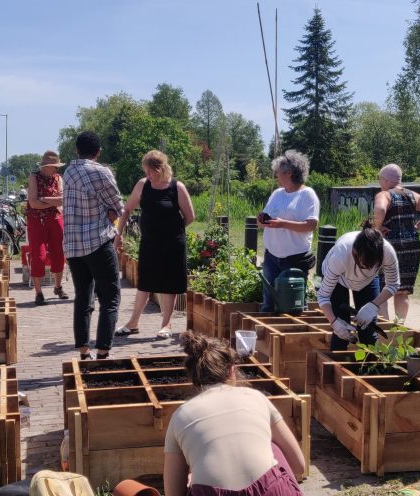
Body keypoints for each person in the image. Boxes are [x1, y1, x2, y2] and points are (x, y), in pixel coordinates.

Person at [163, 332, 305, 496]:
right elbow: (298, 465)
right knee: (273, 446)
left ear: (193, 378)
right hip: (270, 490)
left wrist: (194, 480)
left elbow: (173, 492)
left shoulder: (180, 416)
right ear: (232, 370)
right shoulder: (256, 397)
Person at [114, 150, 196, 339]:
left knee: (169, 283)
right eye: (146, 171)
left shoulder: (177, 187)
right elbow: (126, 209)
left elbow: (190, 217)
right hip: (150, 243)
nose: (147, 175)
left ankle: (165, 324)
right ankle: (133, 322)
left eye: (150, 171)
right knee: (145, 282)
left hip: (173, 244)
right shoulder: (143, 185)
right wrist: (119, 233)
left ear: (159, 169)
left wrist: (172, 229)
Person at [62, 131, 125, 360]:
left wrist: (106, 208)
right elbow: (118, 206)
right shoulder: (100, 171)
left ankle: (83, 350)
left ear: (77, 150)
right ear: (98, 152)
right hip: (98, 242)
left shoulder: (68, 172)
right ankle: (103, 352)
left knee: (83, 297)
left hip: (73, 245)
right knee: (110, 297)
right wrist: (108, 212)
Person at [371, 164, 420, 324]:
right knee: (402, 291)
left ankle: (384, 330)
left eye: (380, 179)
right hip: (411, 246)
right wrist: (416, 228)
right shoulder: (411, 195)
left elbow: (380, 209)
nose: (380, 182)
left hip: (389, 246)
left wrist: (377, 228)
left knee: (383, 289)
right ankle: (399, 327)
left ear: (386, 180)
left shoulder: (384, 194)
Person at [317, 220, 400, 350]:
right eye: (363, 266)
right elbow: (323, 296)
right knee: (341, 333)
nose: (366, 270)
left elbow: (393, 284)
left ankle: (369, 368)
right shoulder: (341, 255)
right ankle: (337, 367)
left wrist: (374, 305)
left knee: (368, 332)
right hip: (339, 280)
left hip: (368, 282)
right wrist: (334, 322)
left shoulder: (387, 252)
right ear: (354, 253)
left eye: (372, 267)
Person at [257, 150, 320, 313]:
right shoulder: (277, 193)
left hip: (294, 259)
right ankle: (266, 336)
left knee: (291, 305)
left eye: (278, 173)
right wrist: (262, 219)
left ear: (289, 173)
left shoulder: (307, 195)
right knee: (268, 303)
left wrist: (283, 224)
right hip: (271, 257)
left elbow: (310, 225)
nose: (276, 176)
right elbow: (265, 220)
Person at [27, 150, 70, 306]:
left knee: (59, 253)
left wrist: (43, 199)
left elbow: (62, 200)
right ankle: (39, 293)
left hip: (55, 218)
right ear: (46, 166)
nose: (56, 169)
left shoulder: (58, 178)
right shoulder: (34, 177)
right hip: (36, 220)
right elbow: (33, 203)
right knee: (38, 255)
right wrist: (52, 201)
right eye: (54, 166)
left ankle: (58, 287)